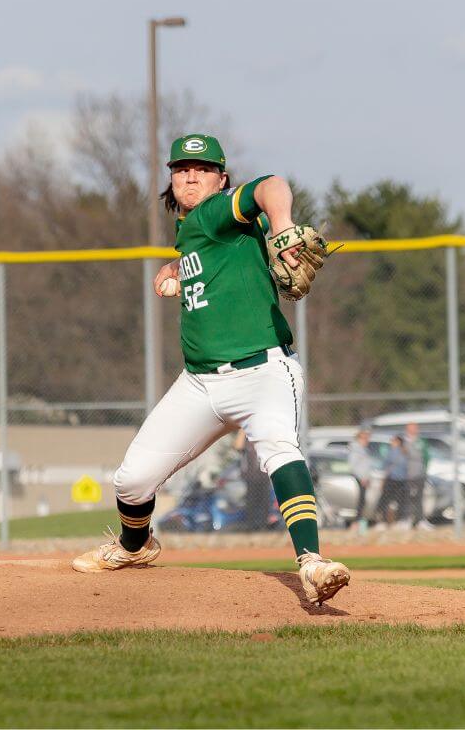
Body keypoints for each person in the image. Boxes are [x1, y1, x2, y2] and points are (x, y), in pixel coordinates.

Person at [71, 134, 350, 606]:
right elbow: (208, 255)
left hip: (262, 374)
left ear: (222, 178)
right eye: (181, 169)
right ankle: (135, 548)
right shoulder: (195, 230)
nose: (191, 176)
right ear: (171, 182)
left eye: (202, 169)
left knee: (280, 453)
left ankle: (312, 562)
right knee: (131, 481)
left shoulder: (221, 210)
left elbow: (271, 185)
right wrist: (178, 267)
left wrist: (282, 226)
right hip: (200, 383)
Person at [373, 435, 409, 529]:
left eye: (393, 441)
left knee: (384, 501)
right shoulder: (404, 452)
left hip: (392, 479)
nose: (391, 442)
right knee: (401, 502)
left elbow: (384, 465)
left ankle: (383, 522)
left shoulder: (393, 451)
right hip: (402, 480)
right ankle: (401, 520)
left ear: (398, 442)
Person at [402, 422, 433, 530]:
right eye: (412, 428)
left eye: (416, 428)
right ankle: (406, 520)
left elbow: (426, 456)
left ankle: (420, 520)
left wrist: (424, 469)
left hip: (419, 474)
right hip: (407, 475)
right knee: (407, 498)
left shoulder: (421, 441)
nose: (415, 430)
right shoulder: (403, 442)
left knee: (419, 498)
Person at [347, 428, 378, 532]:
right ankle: (356, 524)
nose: (367, 440)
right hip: (360, 479)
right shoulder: (356, 449)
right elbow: (353, 466)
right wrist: (362, 478)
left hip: (364, 478)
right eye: (365, 438)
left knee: (363, 501)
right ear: (360, 438)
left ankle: (359, 523)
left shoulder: (363, 449)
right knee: (360, 501)